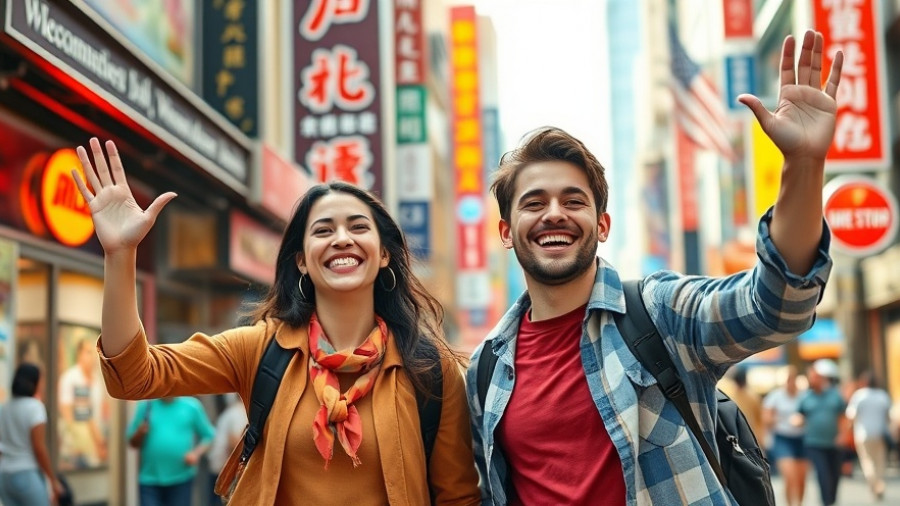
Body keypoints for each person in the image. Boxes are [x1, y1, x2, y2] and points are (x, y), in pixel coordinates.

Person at [467, 30, 843, 505]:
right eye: (534, 203)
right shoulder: (485, 368)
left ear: (602, 225)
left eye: (574, 201)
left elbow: (776, 306)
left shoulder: (659, 312)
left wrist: (803, 164)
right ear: (506, 231)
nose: (554, 214)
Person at [71, 144, 481, 505]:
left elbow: (458, 497)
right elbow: (133, 377)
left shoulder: (431, 369)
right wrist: (120, 255)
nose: (341, 239)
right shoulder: (261, 349)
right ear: (301, 260)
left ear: (384, 253)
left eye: (358, 227)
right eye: (323, 230)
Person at [126, 396, 215, 506]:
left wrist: (196, 453)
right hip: (149, 480)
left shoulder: (192, 406)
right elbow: (132, 442)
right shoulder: (146, 406)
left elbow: (209, 435)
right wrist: (140, 433)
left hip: (181, 479)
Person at [0, 363, 66, 505]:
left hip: (4, 476)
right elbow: (39, 448)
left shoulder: (5, 407)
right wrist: (52, 480)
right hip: (26, 474)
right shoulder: (35, 407)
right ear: (33, 382)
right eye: (41, 381)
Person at [797, 359, 845, 506]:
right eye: (811, 377)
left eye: (816, 377)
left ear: (822, 378)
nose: (813, 380)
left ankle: (831, 499)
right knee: (823, 475)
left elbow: (843, 416)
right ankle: (826, 502)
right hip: (814, 443)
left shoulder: (835, 395)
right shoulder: (805, 397)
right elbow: (799, 414)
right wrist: (797, 421)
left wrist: (842, 434)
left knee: (834, 475)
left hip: (834, 443)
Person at [58, 337, 108, 470]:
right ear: (79, 354)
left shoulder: (97, 380)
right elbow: (67, 413)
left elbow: (98, 414)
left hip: (94, 446)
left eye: (94, 353)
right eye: (88, 352)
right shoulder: (70, 378)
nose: (92, 357)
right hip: (76, 448)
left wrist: (100, 442)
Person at [762, 365, 808, 506]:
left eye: (791, 379)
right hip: (783, 438)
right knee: (790, 476)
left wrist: (802, 420)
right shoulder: (775, 396)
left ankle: (798, 503)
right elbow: (766, 418)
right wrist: (780, 419)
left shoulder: (804, 396)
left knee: (801, 479)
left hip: (801, 438)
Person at [845, 370, 892, 502]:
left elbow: (851, 416)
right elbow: (888, 416)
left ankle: (874, 484)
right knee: (880, 461)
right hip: (880, 433)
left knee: (867, 461)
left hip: (862, 434)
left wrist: (848, 430)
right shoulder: (882, 396)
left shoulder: (859, 396)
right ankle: (879, 484)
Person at [206, 393, 247, 506]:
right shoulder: (238, 413)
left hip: (219, 467)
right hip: (224, 469)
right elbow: (234, 443)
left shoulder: (230, 412)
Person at [718, 366, 764, 441]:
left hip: (750, 432)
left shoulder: (752, 397)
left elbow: (759, 418)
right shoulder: (730, 394)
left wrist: (759, 435)